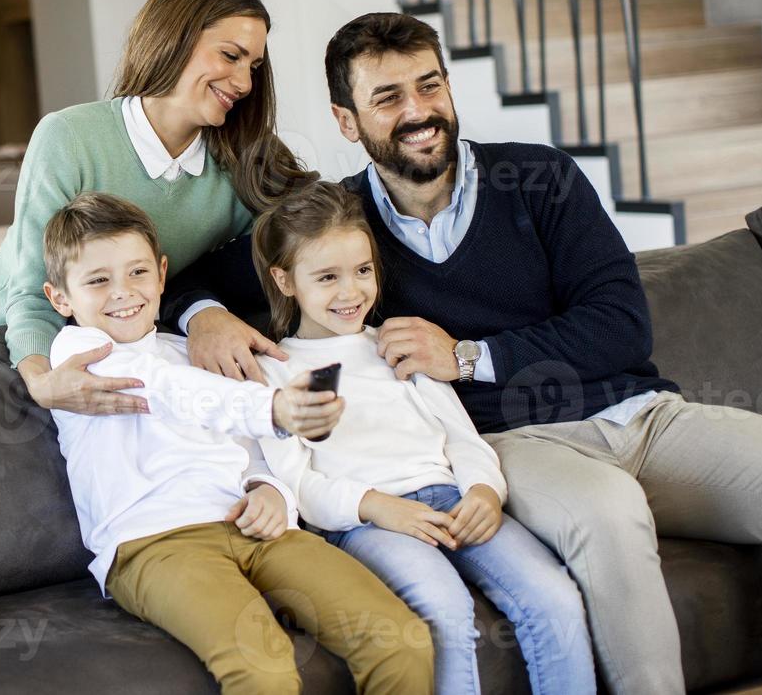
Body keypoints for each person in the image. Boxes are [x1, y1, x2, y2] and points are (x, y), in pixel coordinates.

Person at [161, 11, 762, 694]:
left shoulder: (542, 179)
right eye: (388, 98)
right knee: (609, 510)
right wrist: (205, 316)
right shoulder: (337, 230)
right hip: (518, 446)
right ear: (347, 121)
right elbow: (188, 278)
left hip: (646, 417)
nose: (419, 112)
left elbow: (622, 327)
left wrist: (468, 356)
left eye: (430, 85)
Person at [40, 191, 434, 695]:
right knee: (263, 668)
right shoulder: (77, 353)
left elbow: (246, 444)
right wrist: (272, 408)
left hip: (252, 526)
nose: (123, 292)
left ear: (162, 275)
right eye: (98, 280)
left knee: (400, 640)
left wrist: (270, 489)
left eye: (138, 273)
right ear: (61, 299)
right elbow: (168, 392)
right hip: (155, 545)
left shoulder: (188, 350)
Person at [250, 182, 594, 695]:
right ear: (285, 280)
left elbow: (463, 438)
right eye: (327, 277)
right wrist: (377, 507)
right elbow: (297, 482)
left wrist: (483, 491)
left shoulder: (399, 344)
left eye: (362, 271)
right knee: (443, 608)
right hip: (368, 524)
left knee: (554, 596)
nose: (351, 292)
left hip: (452, 498)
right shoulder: (276, 372)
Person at [0, 0, 318, 418]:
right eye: (230, 56)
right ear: (173, 38)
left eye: (253, 67)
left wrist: (204, 312)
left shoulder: (248, 160)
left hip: (102, 348)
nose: (245, 83)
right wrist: (40, 380)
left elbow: (279, 258)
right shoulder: (69, 136)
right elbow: (35, 289)